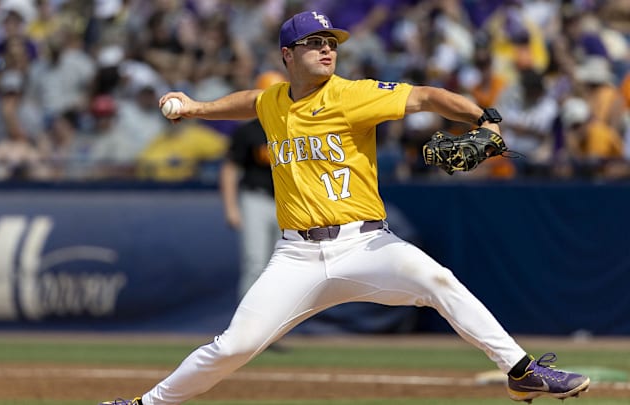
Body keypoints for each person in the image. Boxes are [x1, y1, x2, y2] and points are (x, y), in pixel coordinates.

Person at [101, 11, 590, 405]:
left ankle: (522, 373)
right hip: (296, 257)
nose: (328, 48)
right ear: (288, 55)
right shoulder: (275, 100)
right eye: (315, 43)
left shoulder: (353, 95)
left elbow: (425, 96)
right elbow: (251, 101)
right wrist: (197, 107)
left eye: (331, 41)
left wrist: (484, 117)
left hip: (367, 244)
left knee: (439, 281)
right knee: (234, 346)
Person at [219, 70, 285, 301]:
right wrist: (231, 208)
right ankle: (247, 331)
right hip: (255, 199)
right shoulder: (249, 131)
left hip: (286, 203)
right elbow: (230, 169)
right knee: (256, 262)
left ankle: (271, 332)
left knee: (282, 268)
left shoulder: (293, 127)